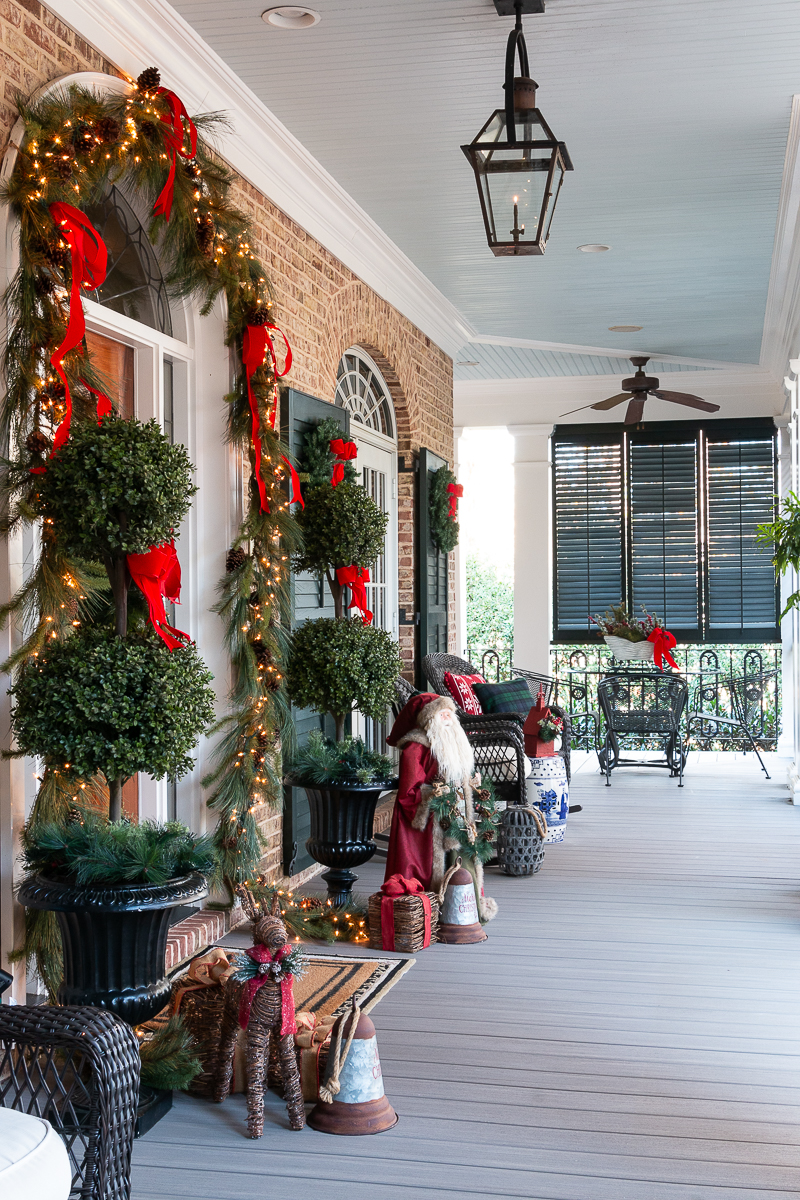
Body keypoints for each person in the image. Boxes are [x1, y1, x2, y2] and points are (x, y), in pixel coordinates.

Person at [383, 691, 497, 921]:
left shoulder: (453, 744)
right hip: (428, 824)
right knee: (435, 868)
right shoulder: (416, 747)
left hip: (456, 817)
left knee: (463, 860)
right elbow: (408, 793)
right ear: (429, 718)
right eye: (441, 712)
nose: (448, 717)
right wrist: (435, 796)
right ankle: (428, 915)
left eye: (450, 712)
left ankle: (468, 909)